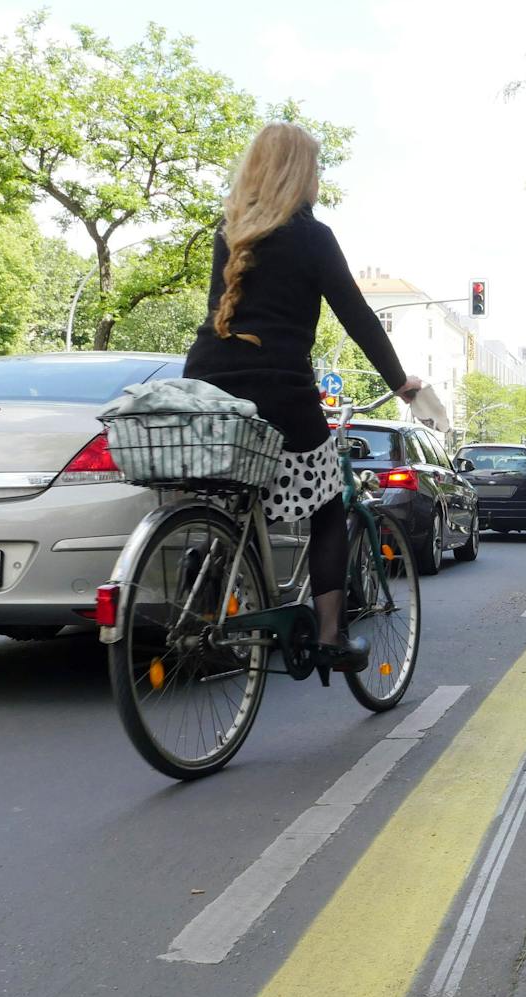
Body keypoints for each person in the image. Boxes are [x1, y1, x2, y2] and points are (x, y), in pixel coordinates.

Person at [184, 122, 421, 672]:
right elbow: (357, 314)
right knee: (327, 506)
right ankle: (332, 638)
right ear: (301, 173)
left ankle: (209, 569)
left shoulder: (231, 231)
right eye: (315, 167)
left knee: (232, 491)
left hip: (208, 380)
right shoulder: (312, 236)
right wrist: (397, 380)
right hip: (278, 384)